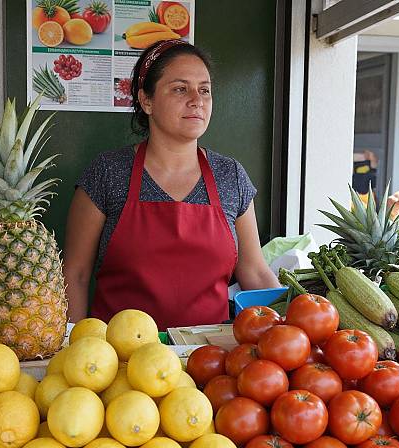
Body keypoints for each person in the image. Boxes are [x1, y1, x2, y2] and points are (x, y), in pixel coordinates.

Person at [63, 40, 280, 330]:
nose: (197, 99)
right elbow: (75, 274)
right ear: (146, 100)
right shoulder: (108, 172)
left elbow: (254, 273)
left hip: (208, 358)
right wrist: (72, 346)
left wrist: (290, 326)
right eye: (180, 89)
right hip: (118, 360)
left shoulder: (231, 176)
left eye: (204, 90)